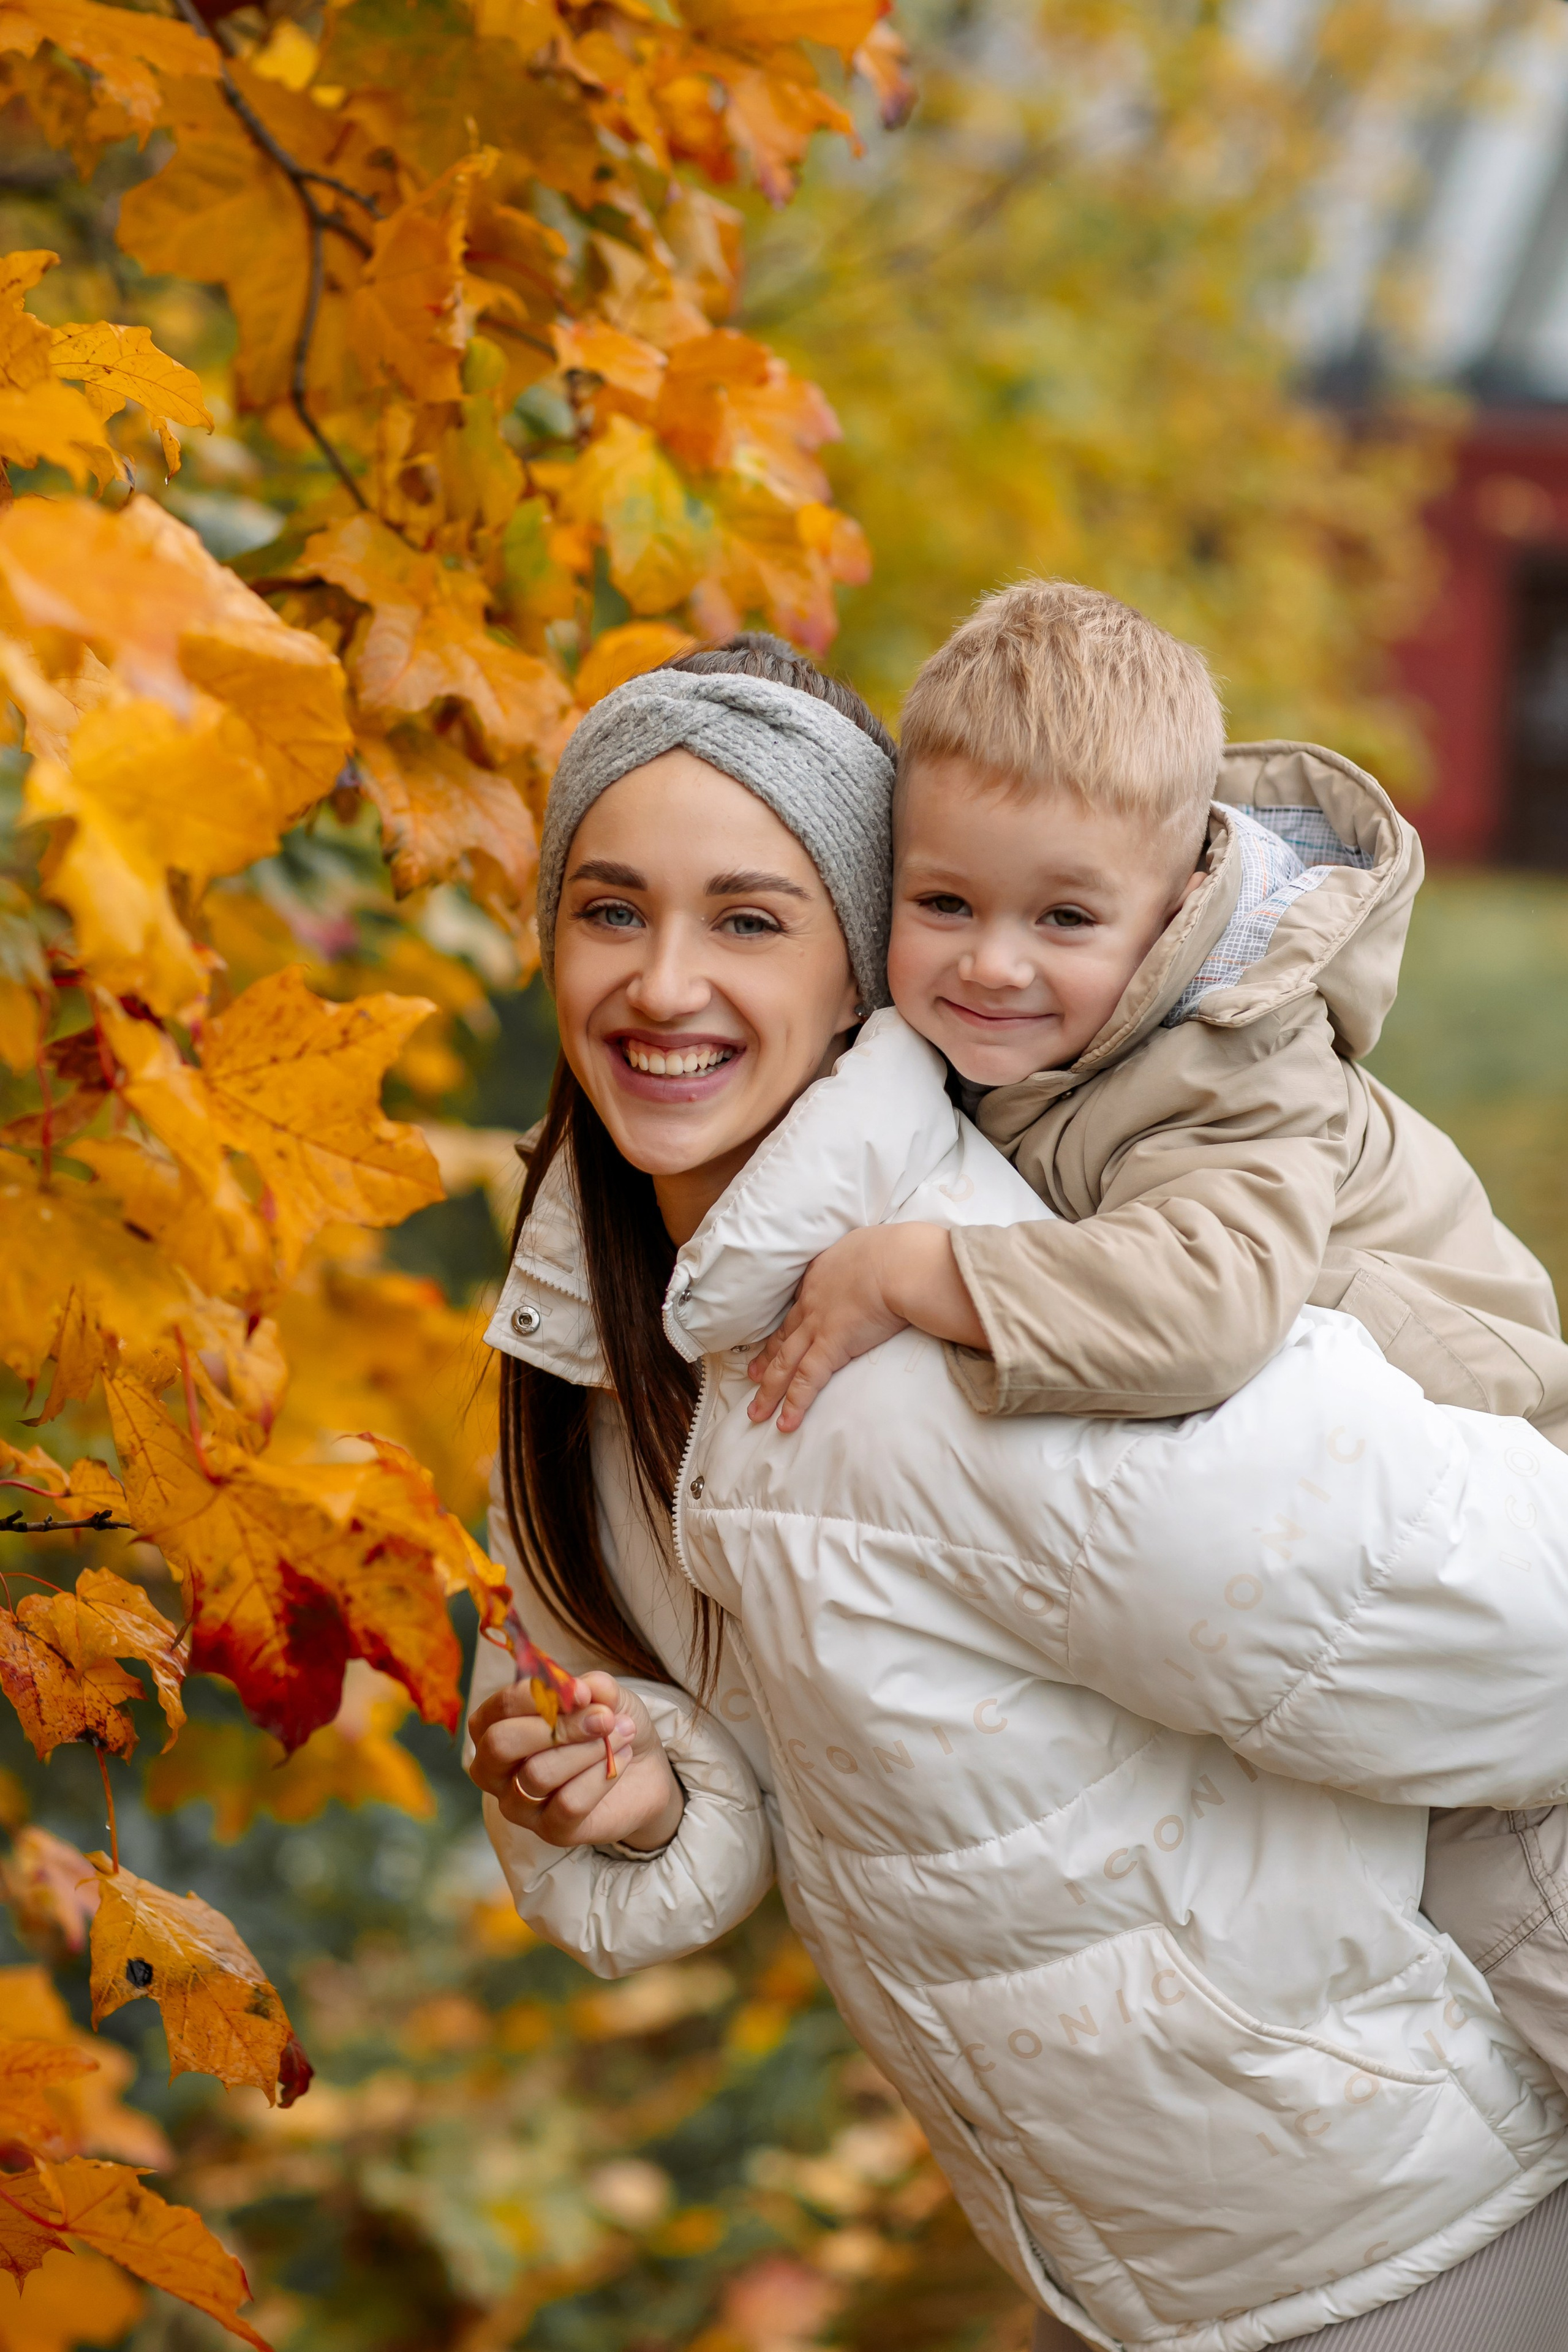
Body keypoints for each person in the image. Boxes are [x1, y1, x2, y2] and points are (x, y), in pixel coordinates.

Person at [467, 635, 1568, 2351]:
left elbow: (1534, 1644)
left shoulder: (1004, 1328)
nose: (663, 981)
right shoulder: (602, 1351)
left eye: (749, 920)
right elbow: (771, 1755)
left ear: (859, 976)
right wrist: (640, 1804)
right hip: (1144, 2271)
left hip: (1409, 2240)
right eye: (611, 911)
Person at [742, 580, 1568, 2081]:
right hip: (1330, 1597)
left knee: (1517, 1923)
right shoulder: (1037, 1034)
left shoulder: (1235, 1054)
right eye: (944, 906)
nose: (992, 962)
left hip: (1486, 1495)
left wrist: (914, 1271)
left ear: (1177, 898)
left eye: (1061, 917)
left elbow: (1203, 1302)